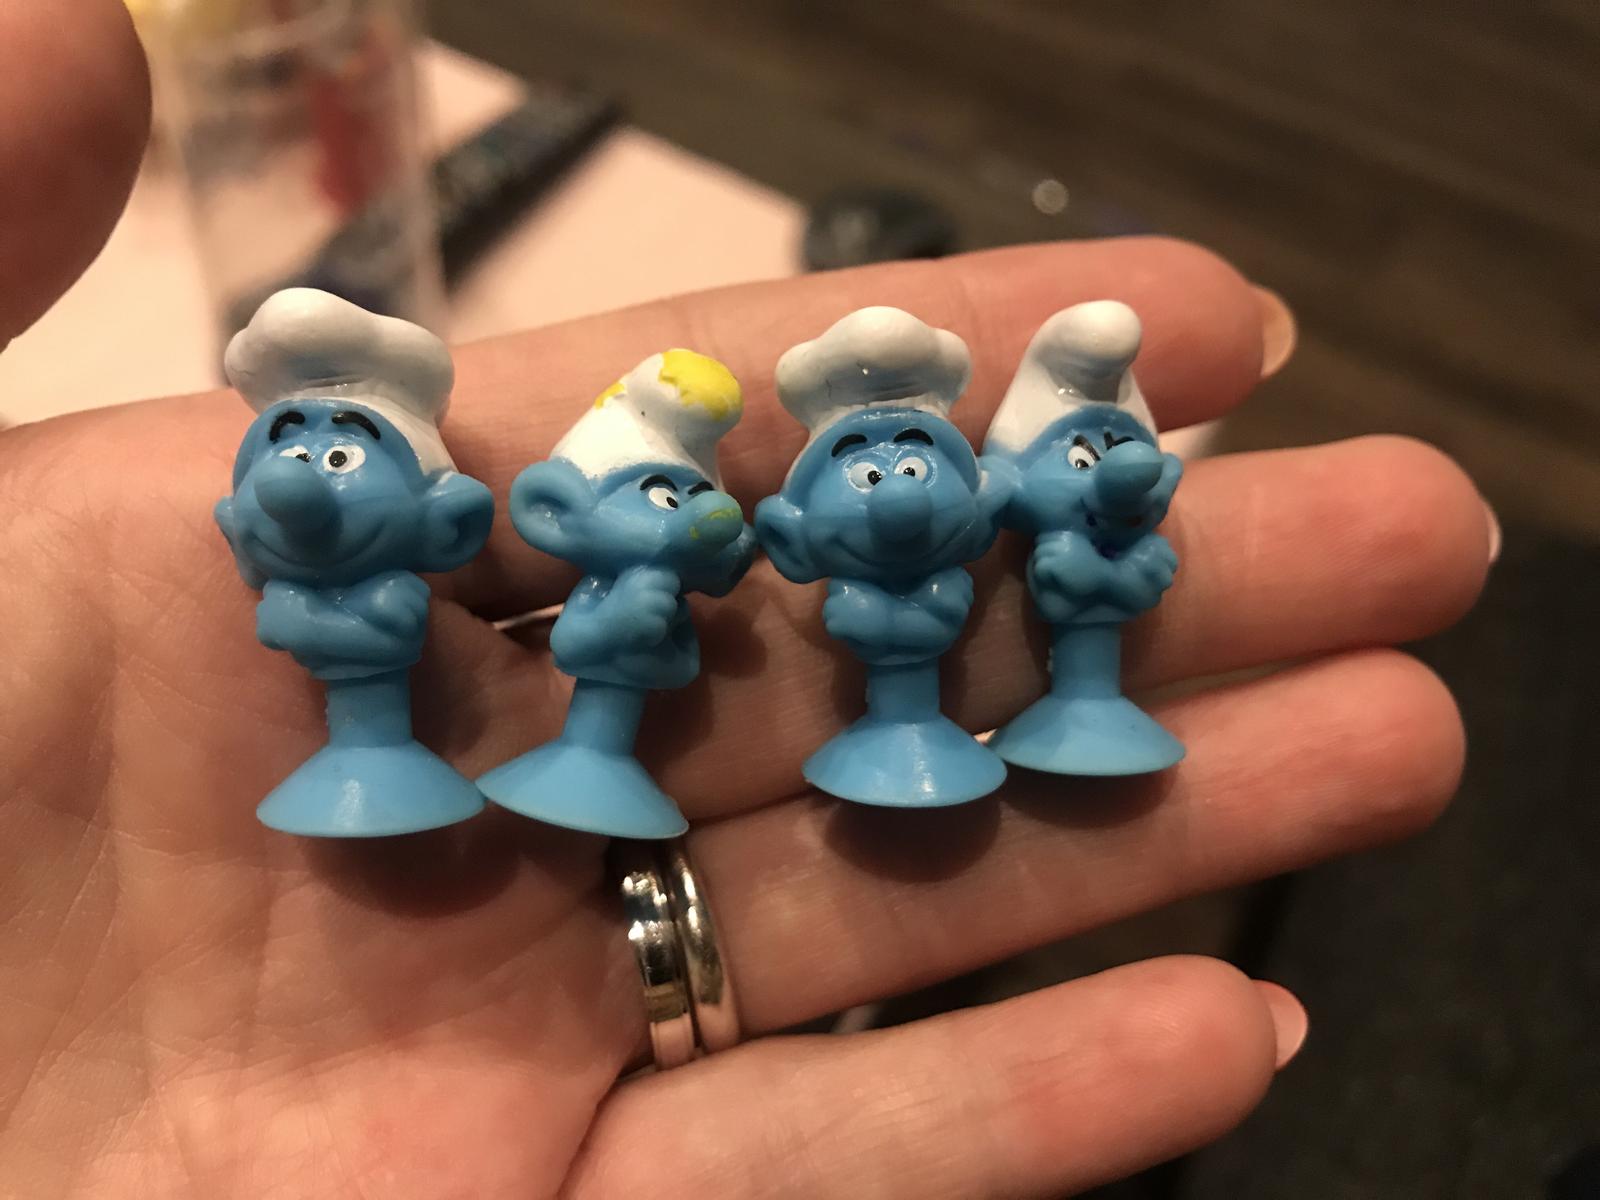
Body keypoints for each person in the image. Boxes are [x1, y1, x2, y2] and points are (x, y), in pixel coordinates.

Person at [0, 3, 1494, 1197]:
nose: (895, 492)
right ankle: (453, 753)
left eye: (917, 460)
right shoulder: (433, 554)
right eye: (298, 450)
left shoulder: (937, 538)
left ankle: (985, 720)